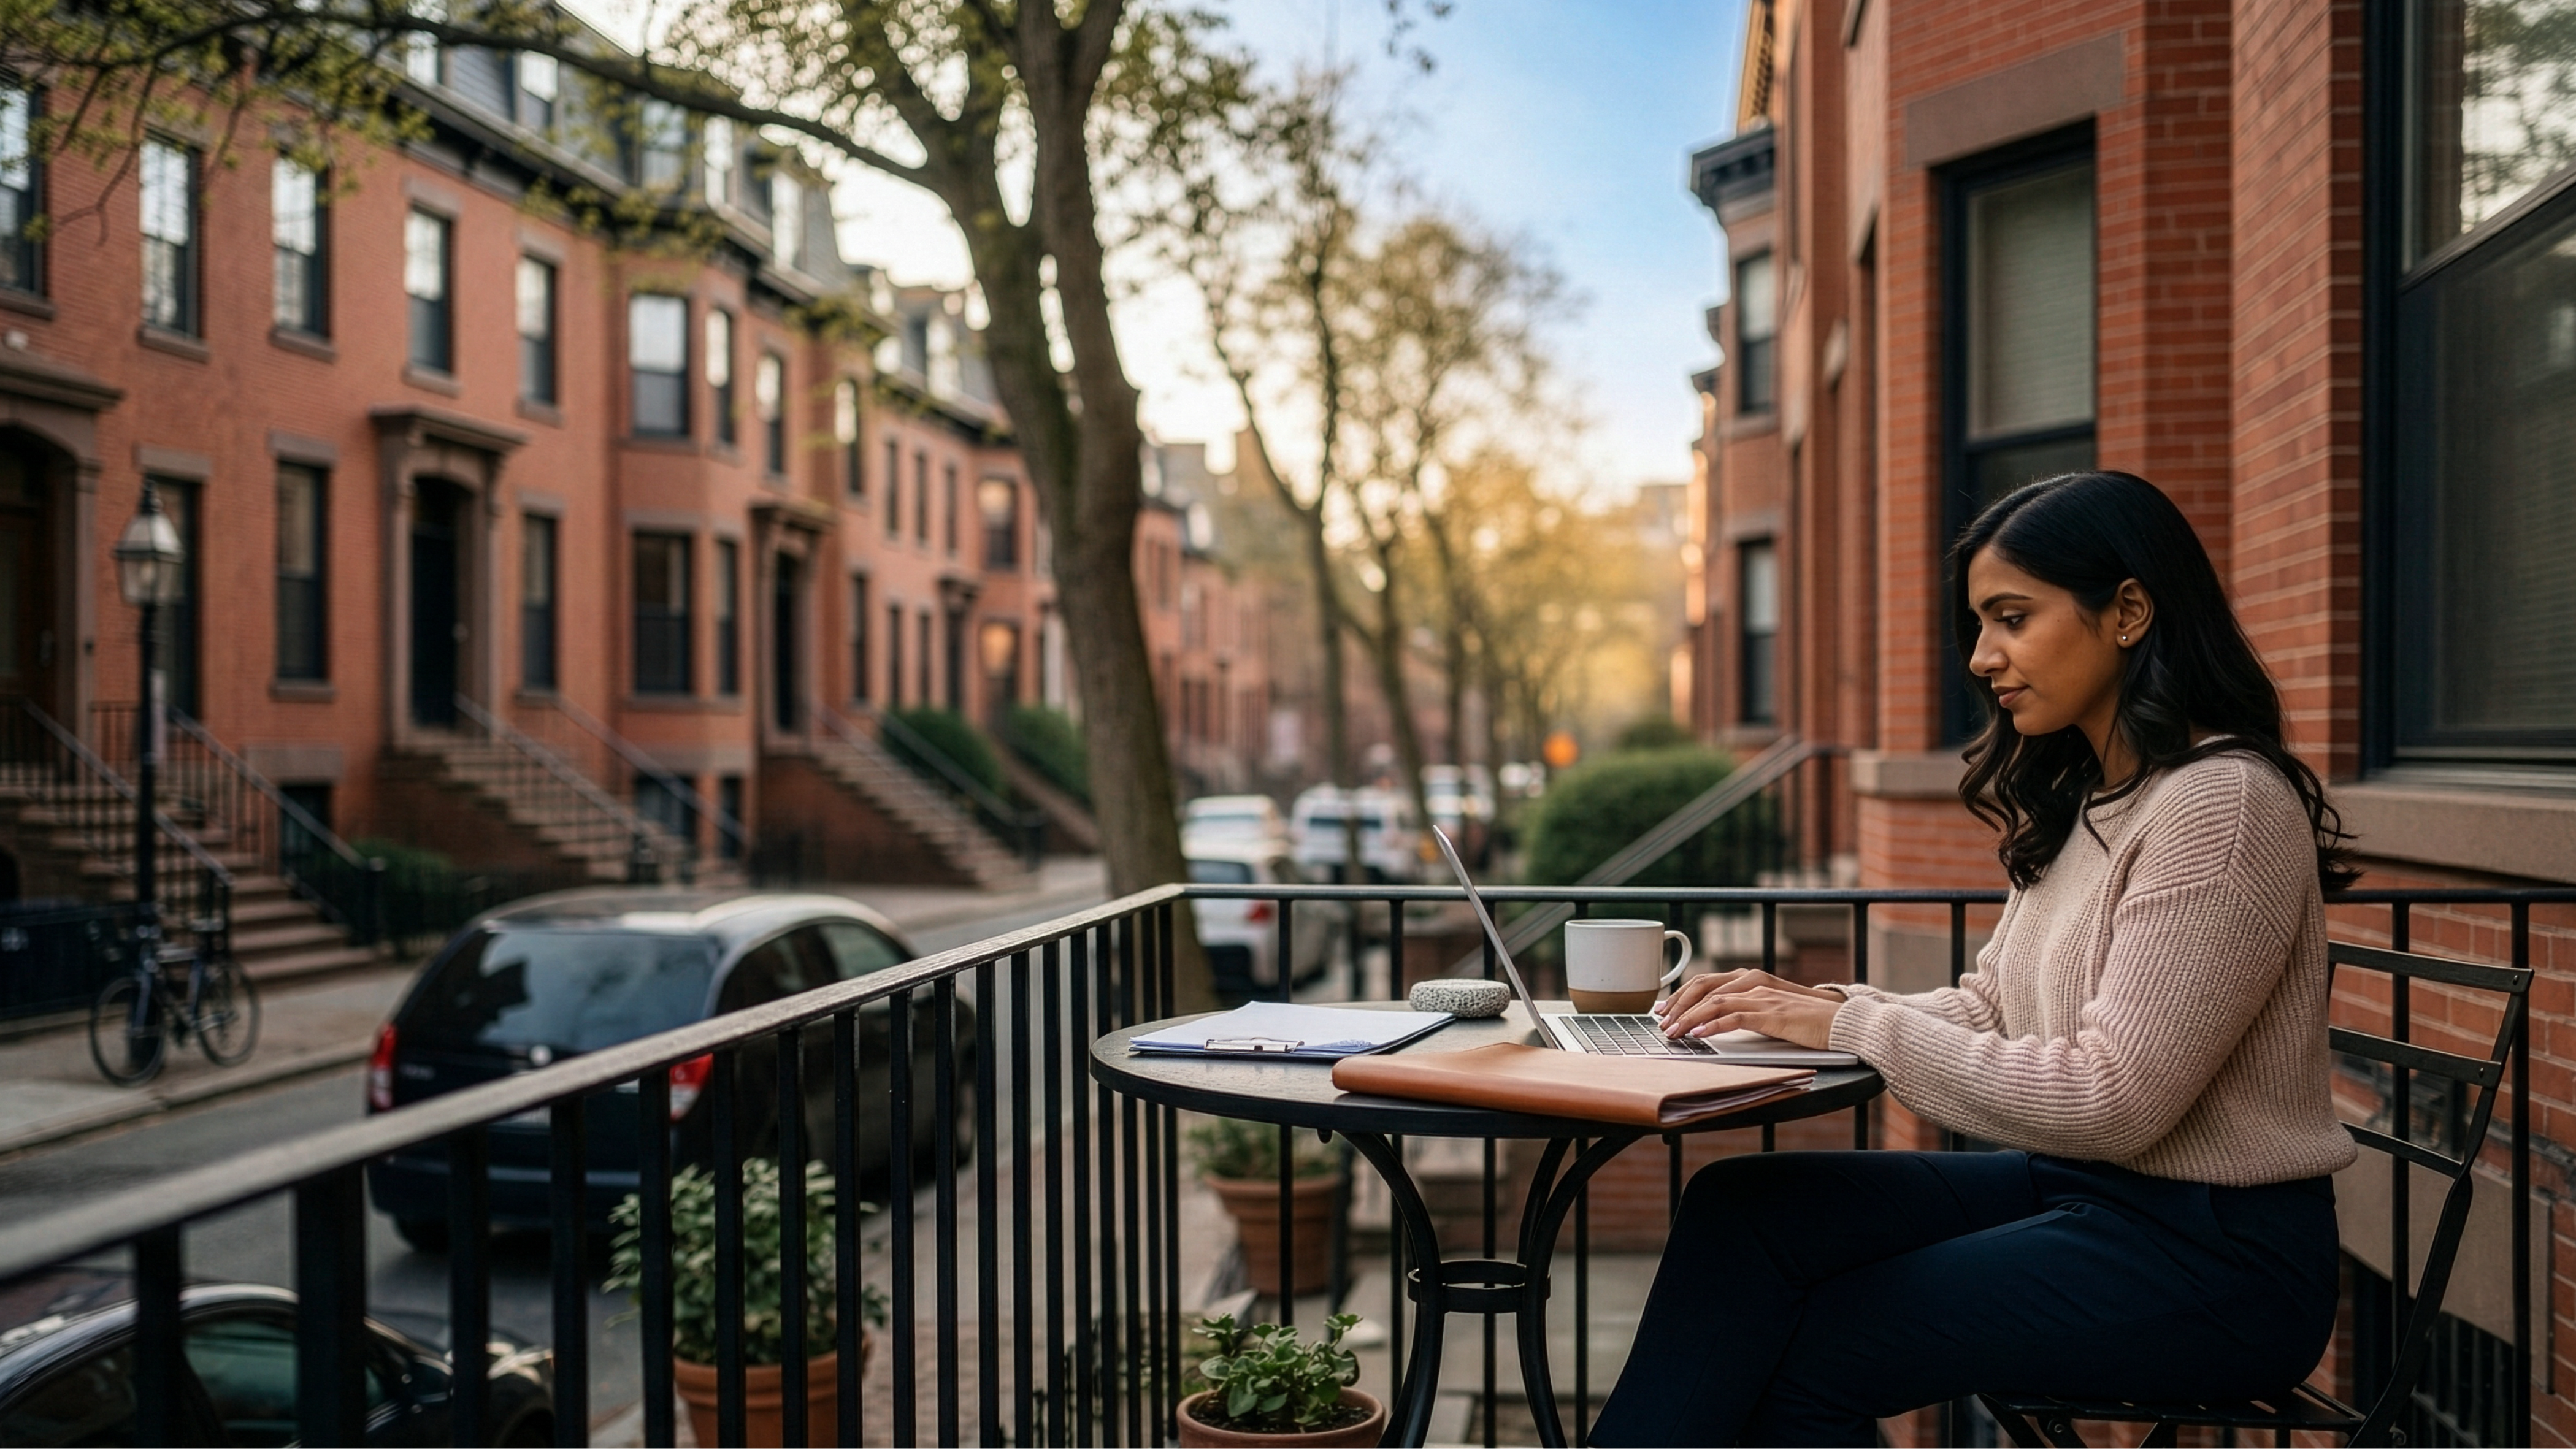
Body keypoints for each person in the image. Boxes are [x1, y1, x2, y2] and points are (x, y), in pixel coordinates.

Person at [1587, 471, 2360, 1448]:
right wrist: (1810, 1003)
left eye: (2012, 618)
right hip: (2091, 1192)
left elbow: (2115, 1096)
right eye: (1979, 624)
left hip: (2219, 1257)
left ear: (2127, 610)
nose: (1985, 657)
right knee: (1743, 1209)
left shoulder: (2222, 803)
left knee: (1813, 1347)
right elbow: (1994, 1006)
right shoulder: (2095, 800)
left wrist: (1848, 1024)